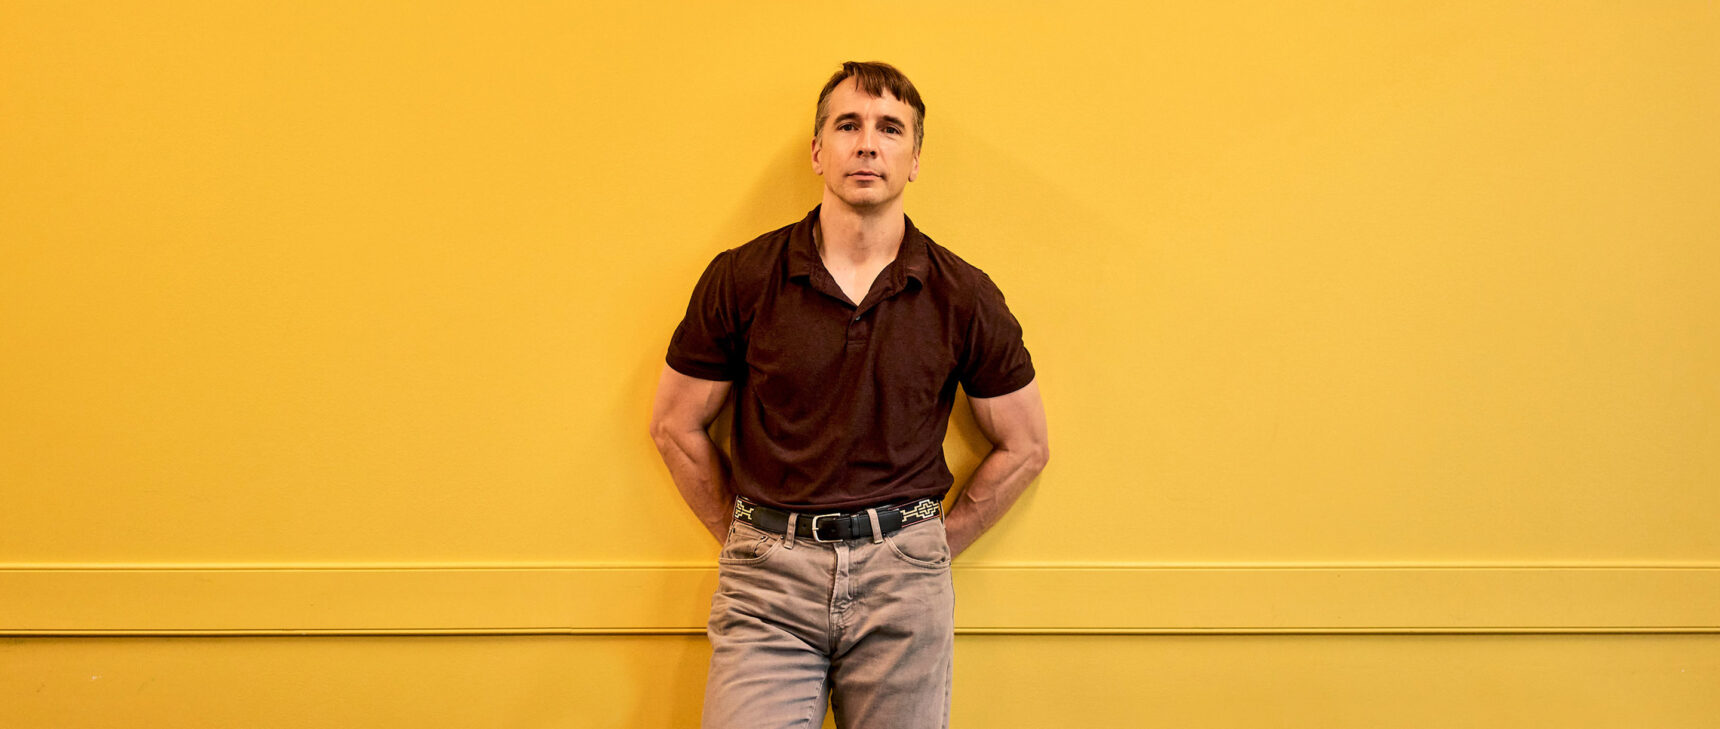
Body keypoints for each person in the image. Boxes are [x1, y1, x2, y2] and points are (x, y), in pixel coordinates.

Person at [649, 61, 1049, 729]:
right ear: (818, 151)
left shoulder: (962, 293)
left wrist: (932, 545)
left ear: (914, 158)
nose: (868, 143)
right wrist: (744, 538)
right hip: (766, 586)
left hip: (905, 582)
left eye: (891, 128)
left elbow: (1028, 443)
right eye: (848, 125)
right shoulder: (743, 277)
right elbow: (674, 424)